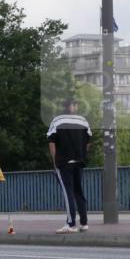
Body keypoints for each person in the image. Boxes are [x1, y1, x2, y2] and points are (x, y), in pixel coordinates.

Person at [47, 97, 91, 233]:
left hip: (64, 161)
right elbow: (88, 141)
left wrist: (55, 162)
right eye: (75, 105)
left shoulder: (57, 120)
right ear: (73, 107)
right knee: (79, 191)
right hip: (79, 160)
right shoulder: (83, 121)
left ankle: (71, 224)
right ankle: (84, 223)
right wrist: (82, 154)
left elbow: (52, 142)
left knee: (68, 193)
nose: (76, 107)